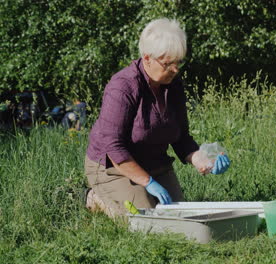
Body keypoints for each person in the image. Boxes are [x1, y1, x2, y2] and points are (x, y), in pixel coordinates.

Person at [84, 18, 230, 217]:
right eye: (168, 63)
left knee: (179, 217)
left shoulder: (174, 84)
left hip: (155, 163)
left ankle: (139, 193)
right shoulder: (122, 87)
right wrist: (148, 182)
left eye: (178, 62)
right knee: (146, 222)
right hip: (113, 168)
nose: (175, 69)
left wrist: (202, 160)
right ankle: (96, 197)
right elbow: (113, 147)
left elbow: (181, 137)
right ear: (147, 58)